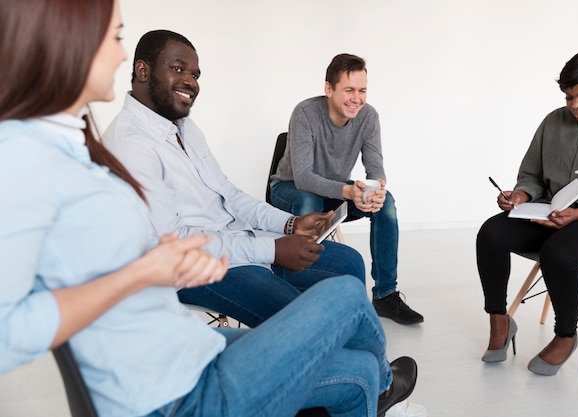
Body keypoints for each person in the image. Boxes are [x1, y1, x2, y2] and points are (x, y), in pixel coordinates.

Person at [0, 1, 428, 417]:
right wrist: (144, 271)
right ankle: (374, 387)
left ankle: (367, 391)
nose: (120, 54)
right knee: (347, 297)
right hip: (174, 386)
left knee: (355, 356)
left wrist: (289, 225)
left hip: (185, 344)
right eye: (114, 37)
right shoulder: (61, 153)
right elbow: (14, 330)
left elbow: (223, 194)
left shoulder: (87, 140)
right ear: (66, 42)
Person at [102, 32, 366, 328]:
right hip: (187, 267)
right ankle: (365, 371)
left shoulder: (185, 128)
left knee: (348, 263)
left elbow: (228, 192)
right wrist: (273, 250)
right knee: (301, 315)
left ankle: (364, 367)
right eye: (178, 69)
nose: (191, 82)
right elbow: (172, 243)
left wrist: (290, 225)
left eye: (195, 74)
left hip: (237, 241)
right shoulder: (129, 144)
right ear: (143, 70)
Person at [476, 46, 578, 376]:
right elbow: (531, 173)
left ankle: (565, 336)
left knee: (559, 252)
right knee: (491, 233)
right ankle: (500, 321)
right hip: (551, 213)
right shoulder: (553, 122)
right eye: (569, 96)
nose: (574, 106)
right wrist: (519, 194)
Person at [269, 53, 423, 325]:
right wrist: (349, 192)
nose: (357, 98)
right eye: (348, 90)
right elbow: (304, 178)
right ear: (329, 89)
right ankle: (307, 295)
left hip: (335, 191)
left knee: (386, 204)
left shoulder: (368, 116)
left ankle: (385, 295)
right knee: (308, 201)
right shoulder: (305, 113)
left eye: (362, 90)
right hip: (289, 188)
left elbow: (375, 167)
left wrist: (376, 189)